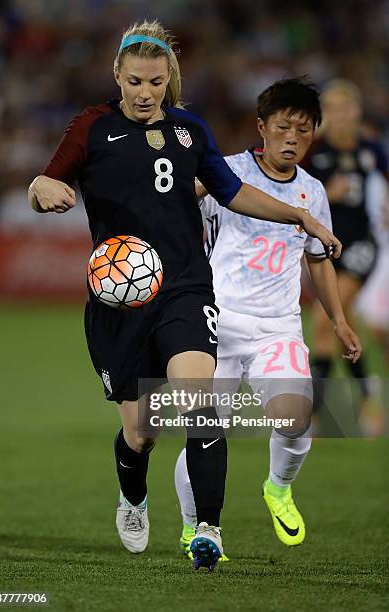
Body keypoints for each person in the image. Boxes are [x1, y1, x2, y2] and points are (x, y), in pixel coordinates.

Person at [28, 22, 340, 572]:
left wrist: (298, 214)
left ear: (168, 78)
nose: (144, 93)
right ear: (116, 79)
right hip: (119, 299)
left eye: (154, 81)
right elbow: (47, 183)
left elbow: (234, 191)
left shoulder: (190, 131)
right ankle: (133, 498)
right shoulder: (91, 127)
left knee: (201, 404)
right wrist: (43, 189)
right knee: (141, 433)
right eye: (133, 82)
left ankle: (208, 531)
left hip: (186, 290)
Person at [174, 78, 362, 558]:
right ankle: (194, 524)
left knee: (296, 417)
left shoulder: (313, 193)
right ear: (262, 127)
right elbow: (172, 202)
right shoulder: (225, 173)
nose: (293, 138)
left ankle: (278, 488)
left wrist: (338, 321)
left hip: (277, 325)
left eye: (304, 130)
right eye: (284, 127)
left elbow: (318, 260)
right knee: (205, 428)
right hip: (215, 321)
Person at [304, 79, 388, 436]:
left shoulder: (371, 149)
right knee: (337, 327)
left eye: (347, 108)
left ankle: (312, 415)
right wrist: (327, 193)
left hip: (362, 245)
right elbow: (298, 194)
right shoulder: (314, 152)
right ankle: (368, 398)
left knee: (326, 320)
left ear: (356, 112)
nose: (341, 116)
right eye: (334, 109)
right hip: (324, 248)